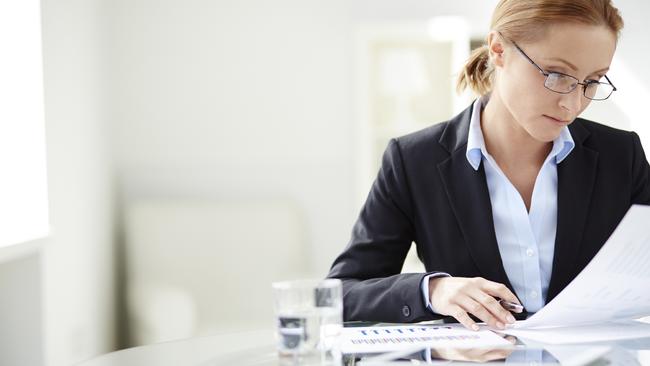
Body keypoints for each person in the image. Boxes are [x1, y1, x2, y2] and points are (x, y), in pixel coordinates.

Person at [327, 0, 650, 331]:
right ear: (498, 50)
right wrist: (432, 290)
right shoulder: (413, 161)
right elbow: (340, 293)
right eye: (556, 74)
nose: (573, 103)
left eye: (593, 81)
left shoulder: (621, 156)